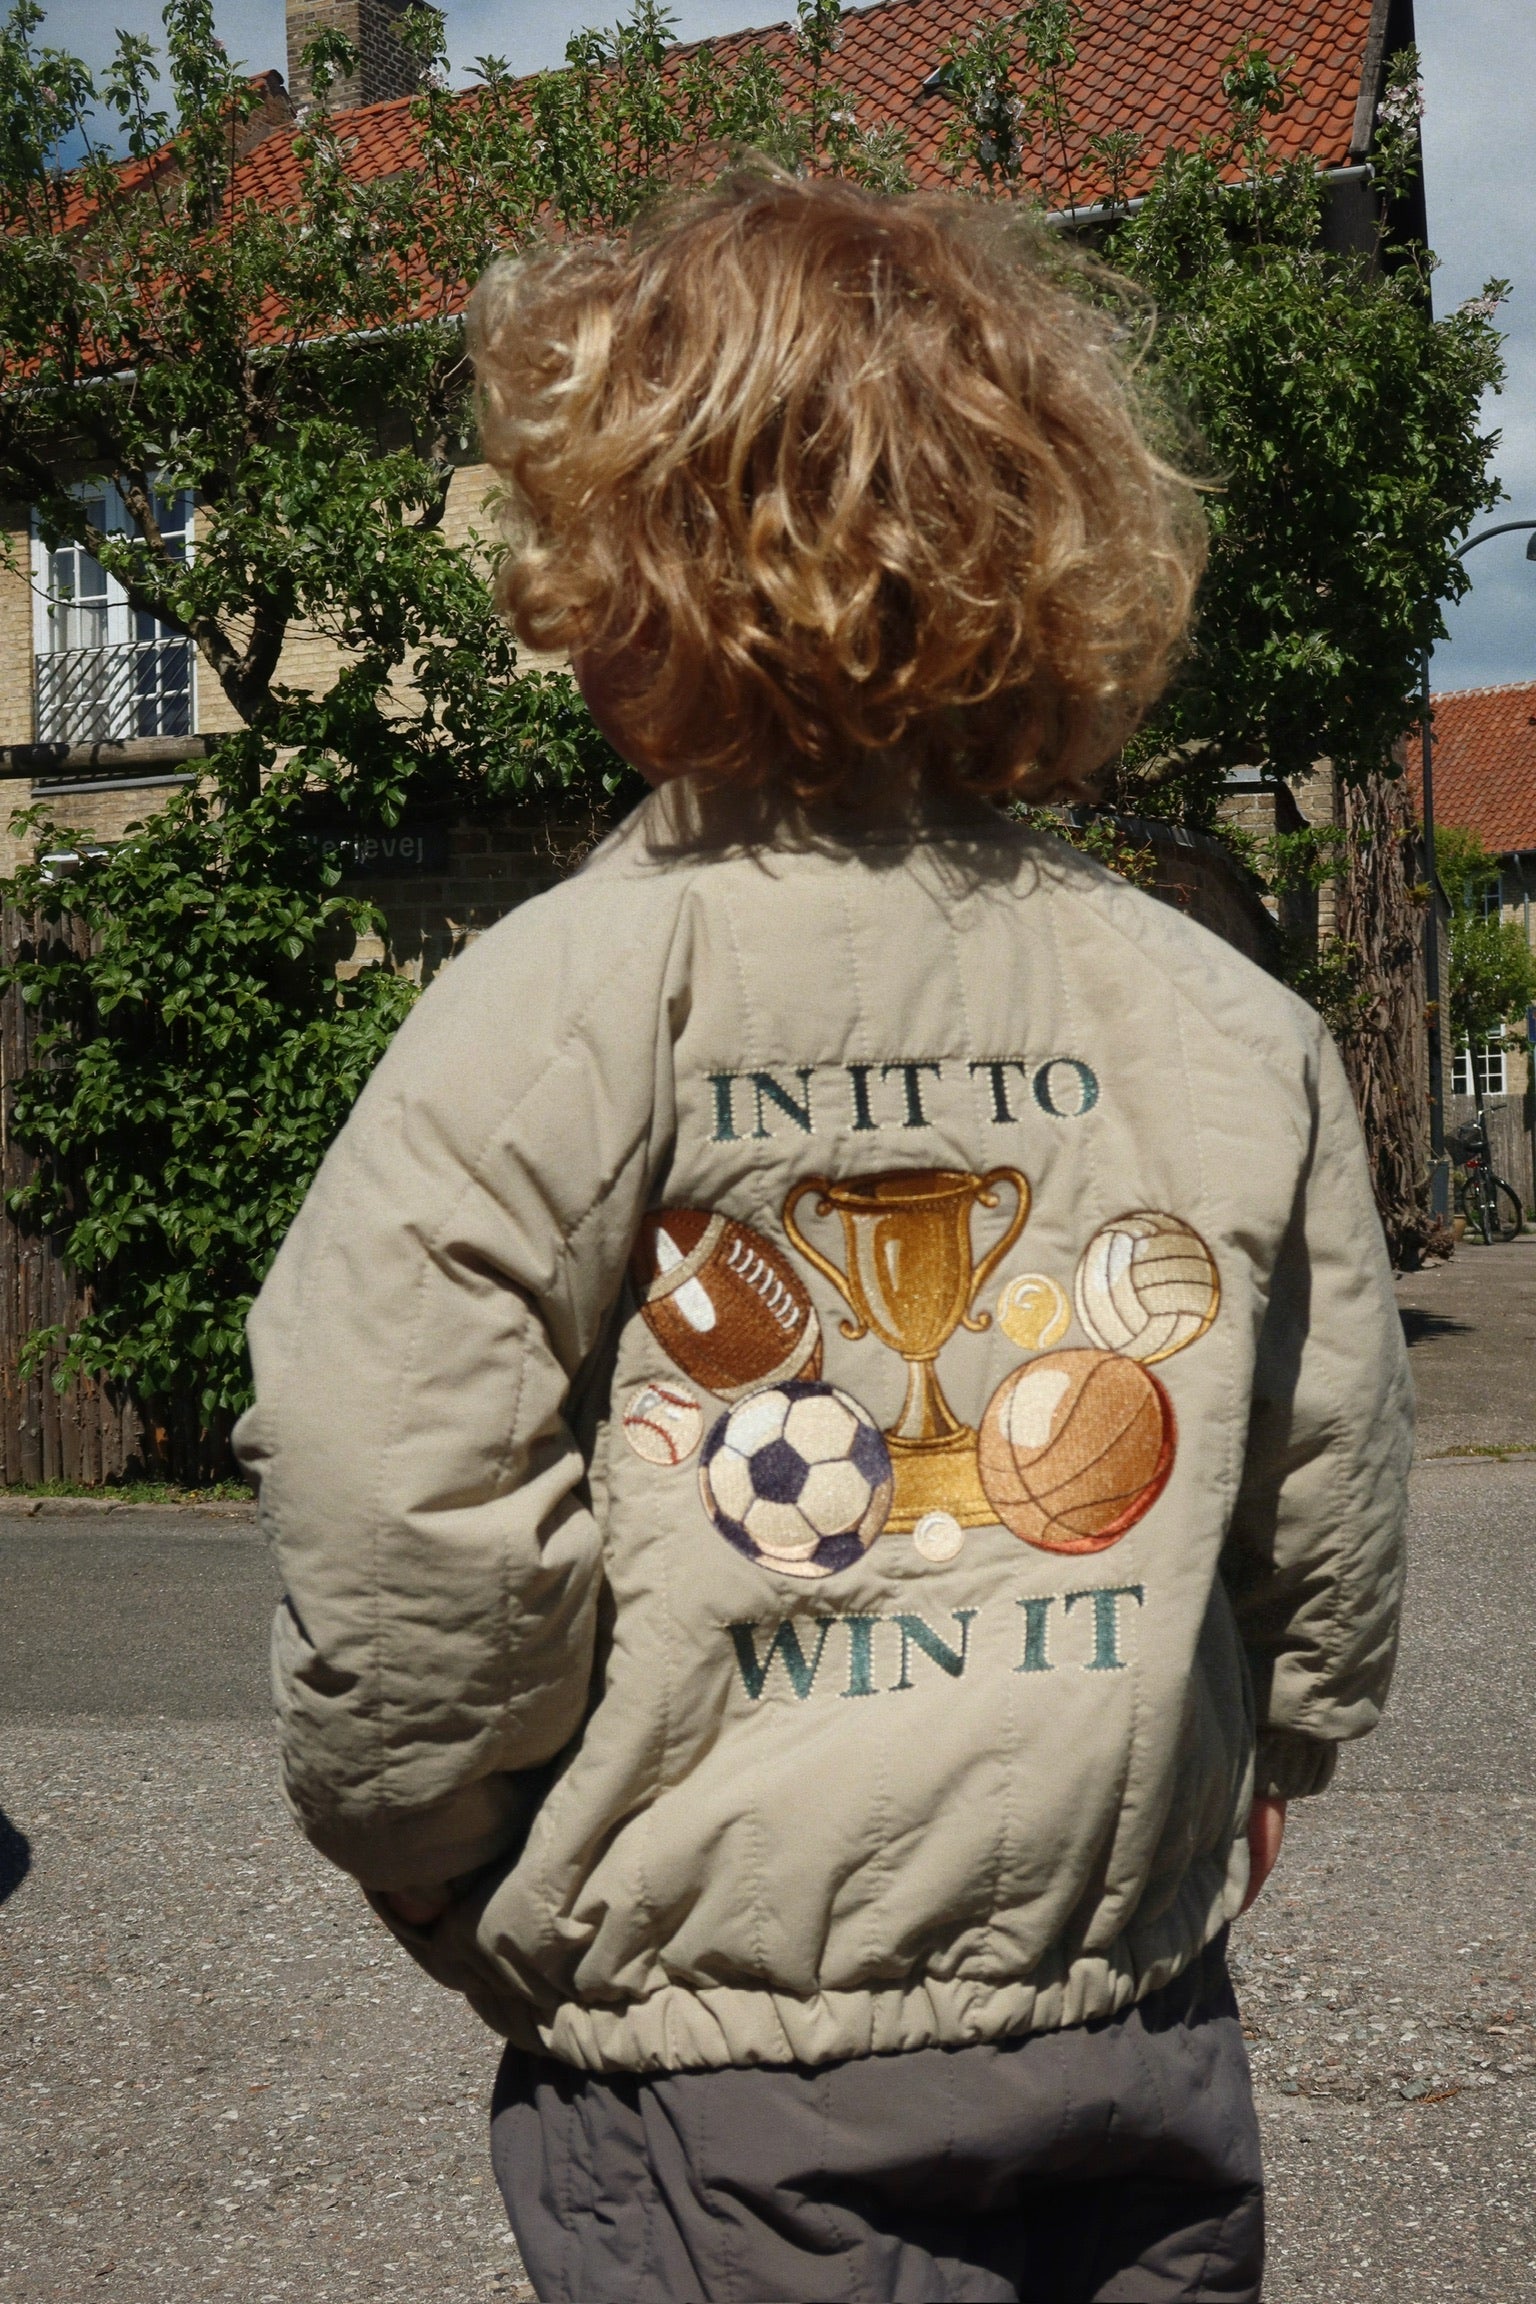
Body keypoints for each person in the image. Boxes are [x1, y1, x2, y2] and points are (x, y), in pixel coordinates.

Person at [234, 169, 1411, 2304]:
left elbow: (392, 1479)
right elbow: (1321, 1480)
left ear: (623, 569)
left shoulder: (555, 1008)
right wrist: (1266, 1754)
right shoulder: (1221, 1016)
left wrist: (445, 1847)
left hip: (722, 2067)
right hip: (1134, 2020)